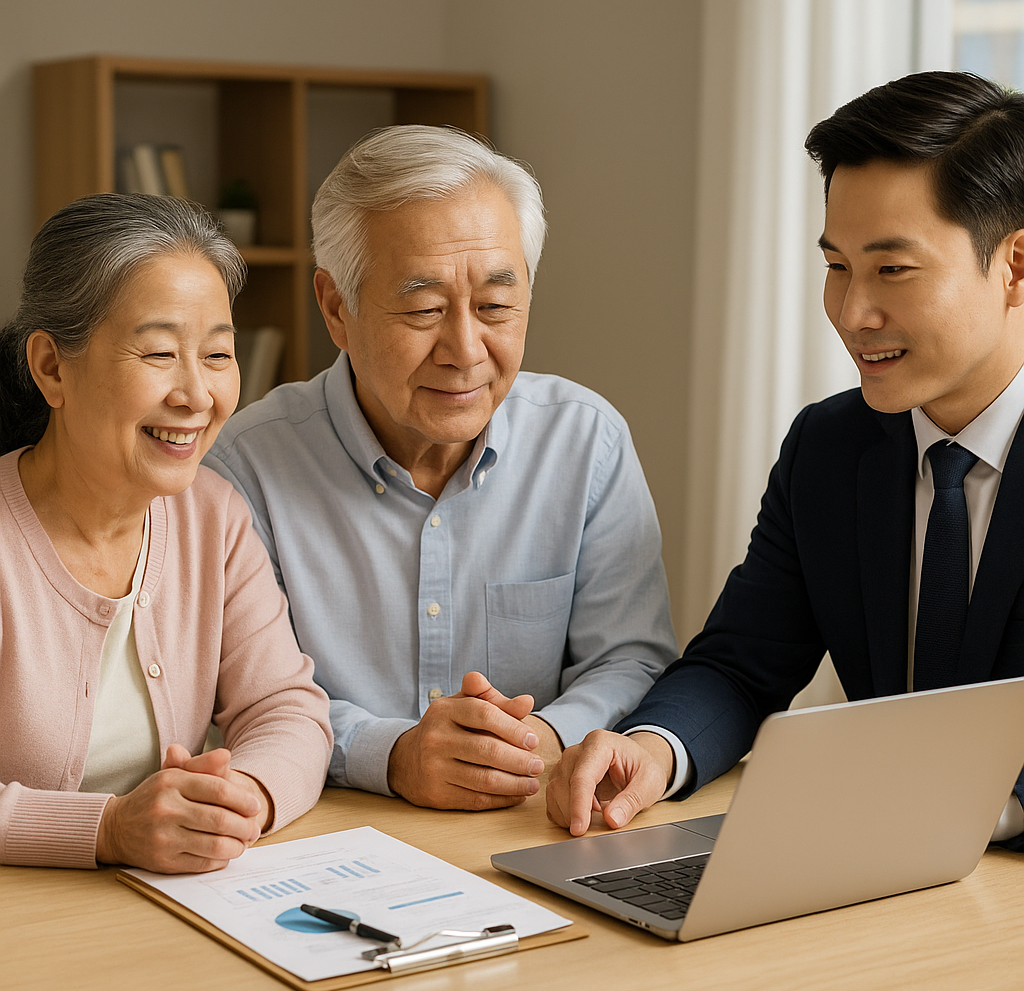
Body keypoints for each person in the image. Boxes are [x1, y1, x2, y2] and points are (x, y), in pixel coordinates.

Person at [546, 70, 1024, 850]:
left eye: (891, 270)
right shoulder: (830, 449)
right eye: (837, 267)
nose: (852, 313)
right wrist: (654, 751)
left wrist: (960, 811)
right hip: (881, 876)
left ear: (1015, 265)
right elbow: (742, 664)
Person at [203, 125, 677, 811]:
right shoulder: (245, 471)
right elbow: (238, 703)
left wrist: (544, 736)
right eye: (424, 309)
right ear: (337, 307)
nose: (464, 349)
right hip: (326, 838)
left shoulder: (585, 440)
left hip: (537, 823)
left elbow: (631, 659)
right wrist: (390, 754)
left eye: (494, 307)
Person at [0, 194, 333, 872]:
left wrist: (242, 797)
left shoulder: (215, 518)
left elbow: (287, 709)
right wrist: (107, 829)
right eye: (158, 353)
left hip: (164, 917)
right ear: (52, 368)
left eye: (217, 354)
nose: (197, 394)